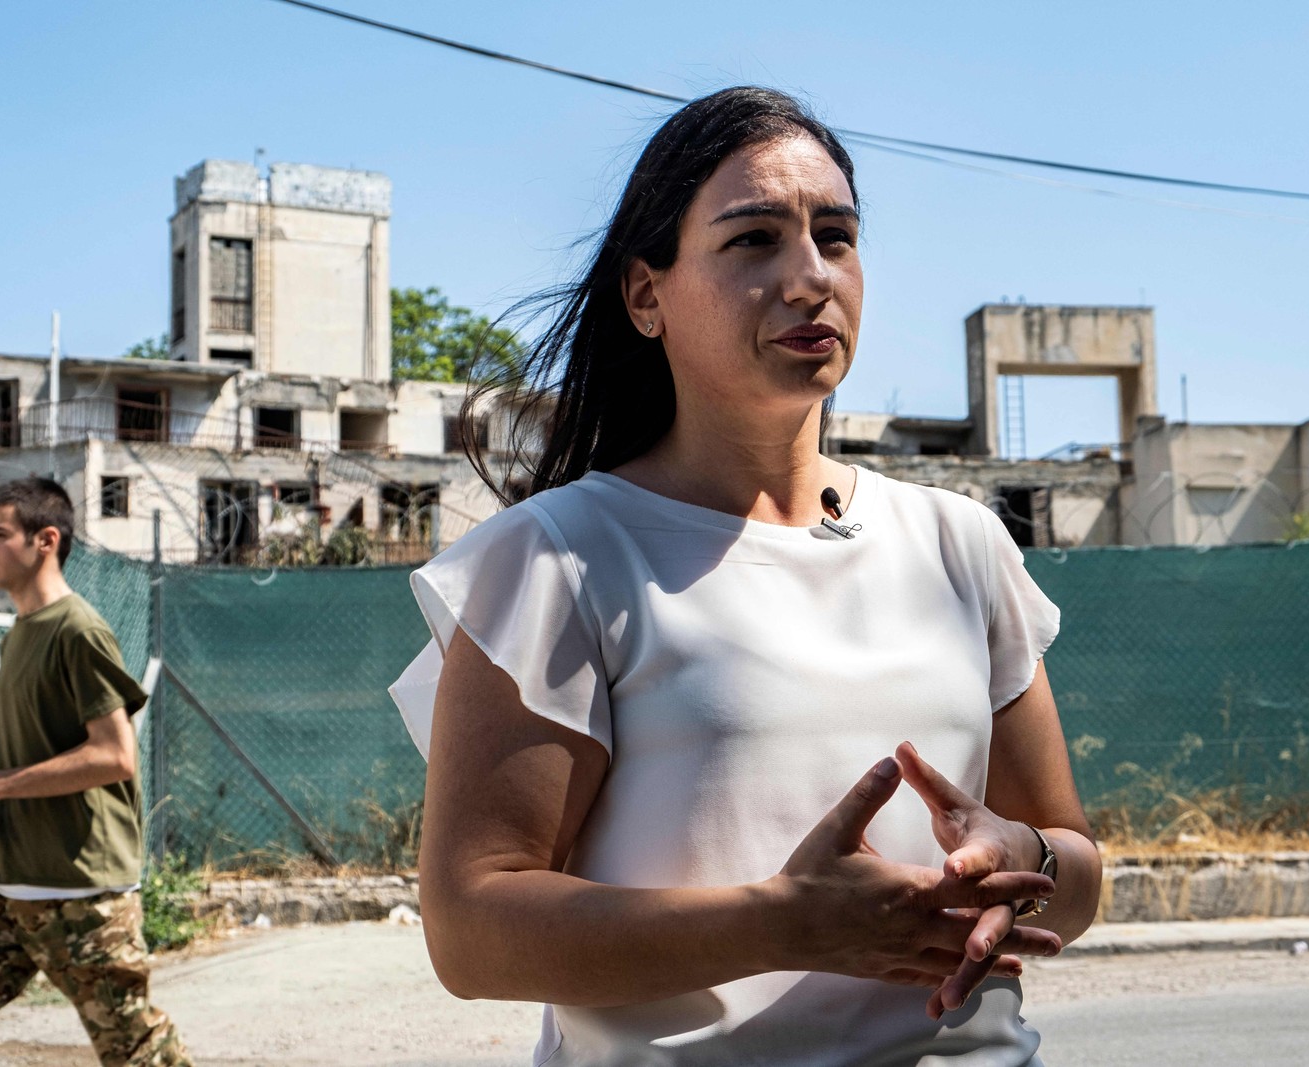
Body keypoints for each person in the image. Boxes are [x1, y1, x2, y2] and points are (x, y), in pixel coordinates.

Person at [389, 87, 1101, 1065]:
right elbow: (471, 930)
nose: (810, 276)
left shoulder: (961, 544)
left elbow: (1077, 866)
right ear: (646, 295)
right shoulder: (557, 557)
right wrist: (782, 922)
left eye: (836, 237)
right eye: (753, 239)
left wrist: (1023, 857)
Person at [0, 477, 189, 1067]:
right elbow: (36, 754)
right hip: (3, 887)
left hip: (80, 896)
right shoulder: (21, 632)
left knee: (136, 1051)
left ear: (45, 540)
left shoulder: (78, 630)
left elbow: (114, 756)